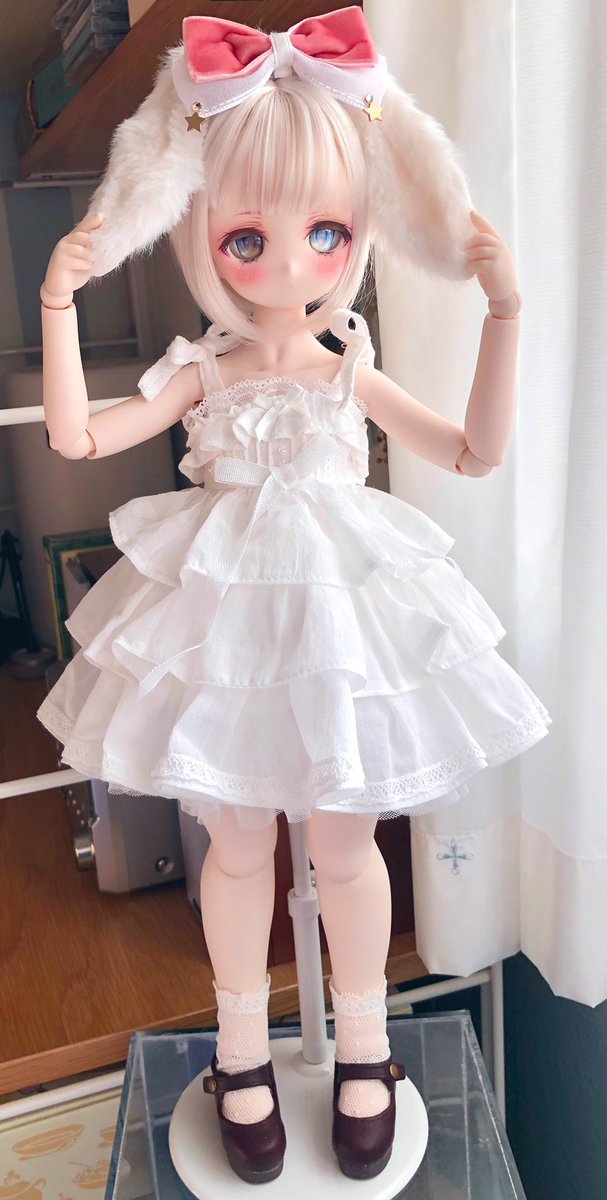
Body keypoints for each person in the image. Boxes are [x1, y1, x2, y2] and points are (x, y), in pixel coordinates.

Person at [36, 7, 550, 1184]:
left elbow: (474, 450)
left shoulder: (348, 367)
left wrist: (506, 314)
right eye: (245, 237)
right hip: (225, 624)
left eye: (325, 232)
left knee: (347, 841)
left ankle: (363, 1043)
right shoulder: (202, 372)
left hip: (340, 620)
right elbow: (78, 436)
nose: (287, 265)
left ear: (357, 232)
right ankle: (239, 1049)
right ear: (200, 235)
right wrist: (56, 306)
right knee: (233, 847)